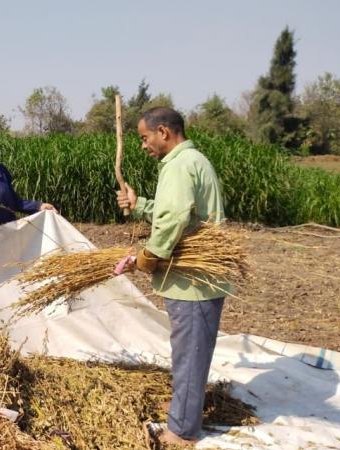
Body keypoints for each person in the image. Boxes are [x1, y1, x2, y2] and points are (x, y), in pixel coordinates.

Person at [116, 107, 229, 446]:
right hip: (191, 279)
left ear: (163, 132)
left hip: (194, 281)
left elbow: (172, 221)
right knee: (186, 350)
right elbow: (173, 211)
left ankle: (181, 431)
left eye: (144, 137)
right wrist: (139, 204)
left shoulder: (180, 166)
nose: (142, 145)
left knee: (190, 352)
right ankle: (184, 406)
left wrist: (147, 257)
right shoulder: (187, 162)